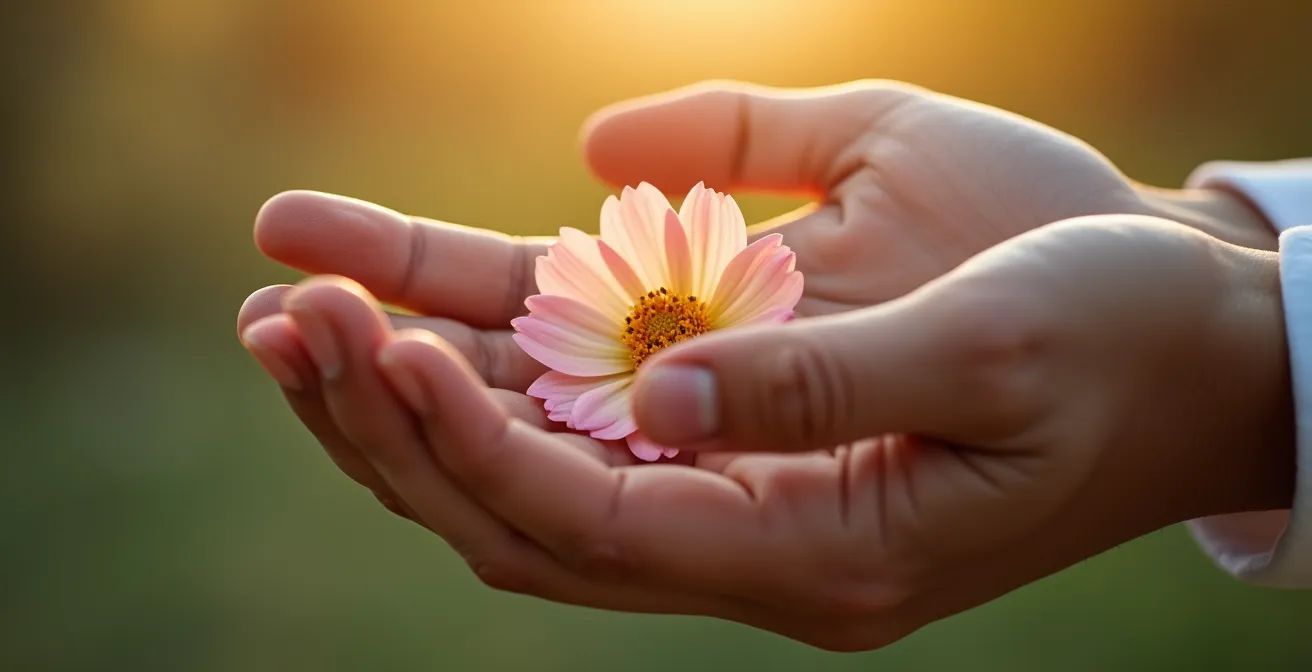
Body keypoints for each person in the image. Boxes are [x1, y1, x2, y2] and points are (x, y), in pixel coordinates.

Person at [235, 81, 1312, 651]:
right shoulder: (607, 340)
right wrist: (1212, 235)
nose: (661, 341)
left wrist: (1243, 346)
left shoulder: (736, 283)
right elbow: (568, 361)